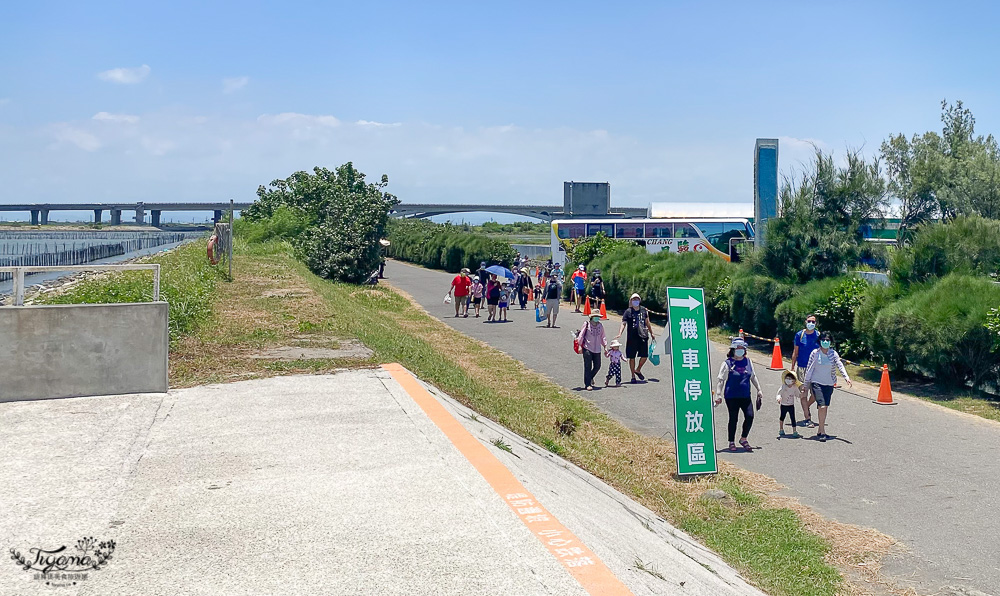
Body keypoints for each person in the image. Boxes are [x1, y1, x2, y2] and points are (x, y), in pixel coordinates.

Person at [713, 339, 764, 452]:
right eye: (738, 349)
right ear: (733, 350)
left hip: (745, 395)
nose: (740, 351)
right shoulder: (727, 363)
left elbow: (753, 376)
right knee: (733, 418)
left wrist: (759, 390)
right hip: (731, 396)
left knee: (750, 416)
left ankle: (743, 438)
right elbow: (721, 380)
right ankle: (731, 441)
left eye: (742, 349)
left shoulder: (748, 361)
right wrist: (718, 394)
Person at [803, 332, 852, 442]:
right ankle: (823, 431)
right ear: (820, 341)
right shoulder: (815, 353)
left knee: (825, 407)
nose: (825, 342)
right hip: (816, 383)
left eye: (828, 340)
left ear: (831, 342)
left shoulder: (833, 354)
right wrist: (806, 385)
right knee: (822, 406)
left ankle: (820, 430)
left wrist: (846, 377)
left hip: (829, 383)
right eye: (823, 340)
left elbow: (840, 365)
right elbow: (809, 369)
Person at [615, 293, 655, 384]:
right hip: (632, 338)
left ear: (639, 300)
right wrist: (620, 333)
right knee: (631, 357)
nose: (635, 301)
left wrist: (652, 333)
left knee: (644, 356)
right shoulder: (628, 311)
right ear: (631, 301)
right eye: (633, 299)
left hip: (643, 336)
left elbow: (647, 322)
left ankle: (638, 369)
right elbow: (623, 323)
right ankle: (633, 376)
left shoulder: (644, 310)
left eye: (637, 299)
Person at [790, 314, 820, 427]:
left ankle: (806, 406)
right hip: (802, 367)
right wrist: (792, 367)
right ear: (805, 321)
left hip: (815, 368)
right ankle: (807, 418)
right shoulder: (800, 335)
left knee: (816, 394)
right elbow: (795, 352)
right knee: (804, 392)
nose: (811, 324)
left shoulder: (818, 335)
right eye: (809, 321)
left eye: (813, 322)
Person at [576, 313, 607, 391]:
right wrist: (580, 345)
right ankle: (587, 384)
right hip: (587, 348)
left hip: (597, 349)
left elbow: (603, 336)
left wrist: (605, 346)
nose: (597, 318)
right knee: (587, 366)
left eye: (598, 317)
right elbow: (581, 335)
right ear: (592, 317)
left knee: (598, 365)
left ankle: (590, 377)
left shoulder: (600, 325)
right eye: (595, 317)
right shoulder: (587, 324)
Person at [776, 370, 802, 438]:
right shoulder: (783, 386)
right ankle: (781, 429)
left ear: (793, 381)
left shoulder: (795, 387)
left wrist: (802, 393)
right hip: (784, 405)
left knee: (793, 418)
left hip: (791, 405)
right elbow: (779, 393)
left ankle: (794, 431)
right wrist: (778, 398)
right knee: (782, 417)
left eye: (790, 379)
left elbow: (798, 394)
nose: (788, 380)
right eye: (787, 378)